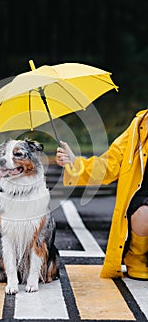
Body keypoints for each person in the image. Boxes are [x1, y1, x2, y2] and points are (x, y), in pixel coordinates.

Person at [56, 109, 148, 280]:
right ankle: (137, 258)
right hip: (144, 201)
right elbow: (109, 164)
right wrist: (74, 163)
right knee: (144, 213)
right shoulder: (140, 126)